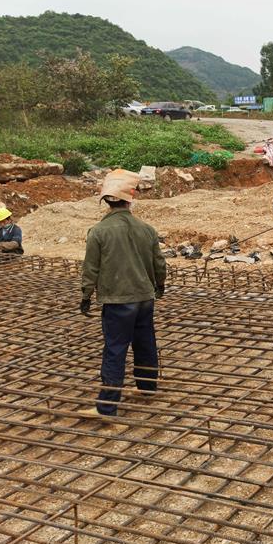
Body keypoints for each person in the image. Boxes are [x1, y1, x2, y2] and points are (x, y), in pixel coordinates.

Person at [80, 169, 167, 418]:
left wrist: (86, 295)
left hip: (118, 300)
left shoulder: (98, 231)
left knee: (115, 350)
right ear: (129, 200)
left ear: (107, 201)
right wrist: (159, 285)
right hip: (144, 298)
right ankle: (147, 388)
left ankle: (106, 407)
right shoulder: (147, 229)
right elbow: (159, 263)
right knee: (145, 342)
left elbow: (91, 268)